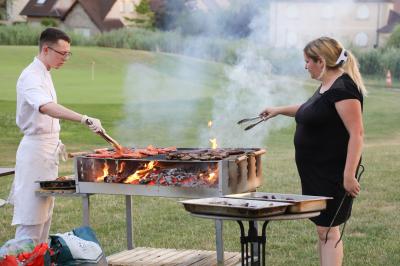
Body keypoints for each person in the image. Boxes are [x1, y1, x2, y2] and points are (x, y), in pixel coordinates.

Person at [259, 37, 365, 265]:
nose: (305, 66)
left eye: (308, 61)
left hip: (333, 173)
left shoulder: (343, 89)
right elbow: (309, 110)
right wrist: (277, 110)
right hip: (316, 173)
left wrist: (349, 175)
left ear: (321, 61)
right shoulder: (328, 85)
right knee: (323, 230)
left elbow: (357, 134)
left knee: (328, 232)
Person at [8, 28, 104, 245]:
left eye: (68, 54)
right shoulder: (30, 76)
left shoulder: (45, 72)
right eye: (62, 53)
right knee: (31, 219)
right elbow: (46, 107)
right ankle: (19, 258)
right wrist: (84, 119)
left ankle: (38, 258)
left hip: (48, 152)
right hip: (35, 152)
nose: (65, 58)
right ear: (46, 49)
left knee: (45, 218)